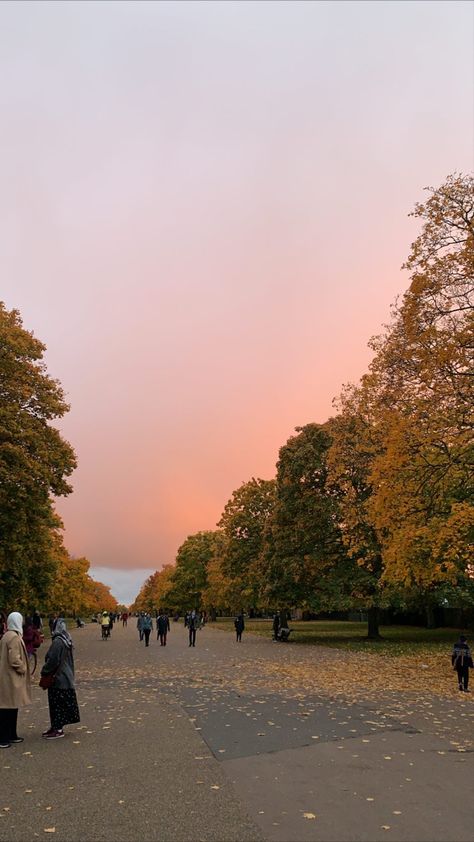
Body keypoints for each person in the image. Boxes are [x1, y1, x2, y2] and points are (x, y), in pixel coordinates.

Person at [41, 618, 80, 740]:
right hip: (65, 675)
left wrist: (45, 670)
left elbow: (53, 660)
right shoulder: (67, 639)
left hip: (58, 677)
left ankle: (58, 728)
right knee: (59, 702)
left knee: (56, 703)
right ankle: (56, 726)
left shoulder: (58, 642)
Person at [0, 612, 32, 749]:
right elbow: (14, 659)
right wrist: (23, 668)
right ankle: (4, 737)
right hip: (11, 677)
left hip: (6, 676)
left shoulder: (7, 635)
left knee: (11, 707)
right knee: (8, 709)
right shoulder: (14, 637)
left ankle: (11, 734)